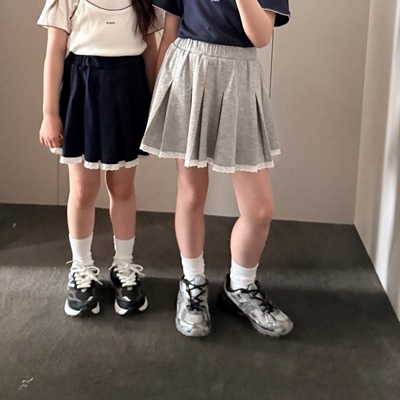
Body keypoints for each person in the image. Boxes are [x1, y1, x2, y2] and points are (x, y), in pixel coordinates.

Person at [140, 0, 293, 337]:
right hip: (187, 72)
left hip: (240, 77)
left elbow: (260, 37)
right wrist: (157, 94)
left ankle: (241, 286)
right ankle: (192, 282)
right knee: (192, 194)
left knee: (260, 209)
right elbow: (170, 32)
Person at [37, 0, 163, 317]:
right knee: (83, 190)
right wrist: (50, 114)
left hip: (128, 90)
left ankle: (124, 267)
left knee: (123, 188)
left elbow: (150, 52)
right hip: (83, 89)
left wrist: (155, 105)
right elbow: (55, 52)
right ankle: (81, 269)